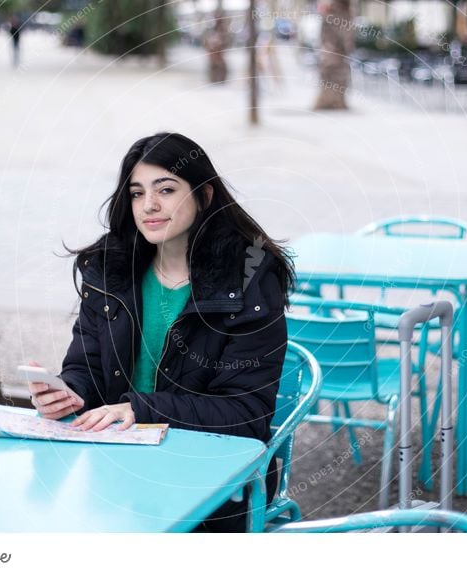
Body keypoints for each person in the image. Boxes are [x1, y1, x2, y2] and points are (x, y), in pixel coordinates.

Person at [27, 132, 294, 532]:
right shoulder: (110, 270)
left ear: (204, 196)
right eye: (136, 193)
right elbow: (86, 365)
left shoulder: (249, 280)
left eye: (166, 190)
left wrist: (142, 409)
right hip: (112, 467)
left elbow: (246, 415)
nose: (148, 205)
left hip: (209, 483)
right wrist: (67, 392)